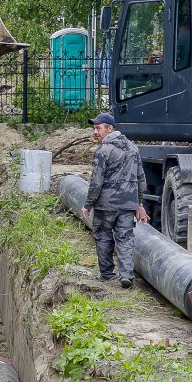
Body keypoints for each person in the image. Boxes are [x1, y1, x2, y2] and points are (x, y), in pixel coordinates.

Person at [81, 112, 149, 288]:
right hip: (128, 203)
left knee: (103, 237)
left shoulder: (103, 150)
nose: (95, 132)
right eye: (94, 128)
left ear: (110, 129)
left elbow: (96, 182)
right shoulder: (133, 148)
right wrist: (139, 203)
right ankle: (126, 275)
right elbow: (141, 177)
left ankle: (107, 274)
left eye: (98, 128)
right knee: (125, 238)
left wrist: (88, 204)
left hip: (106, 204)